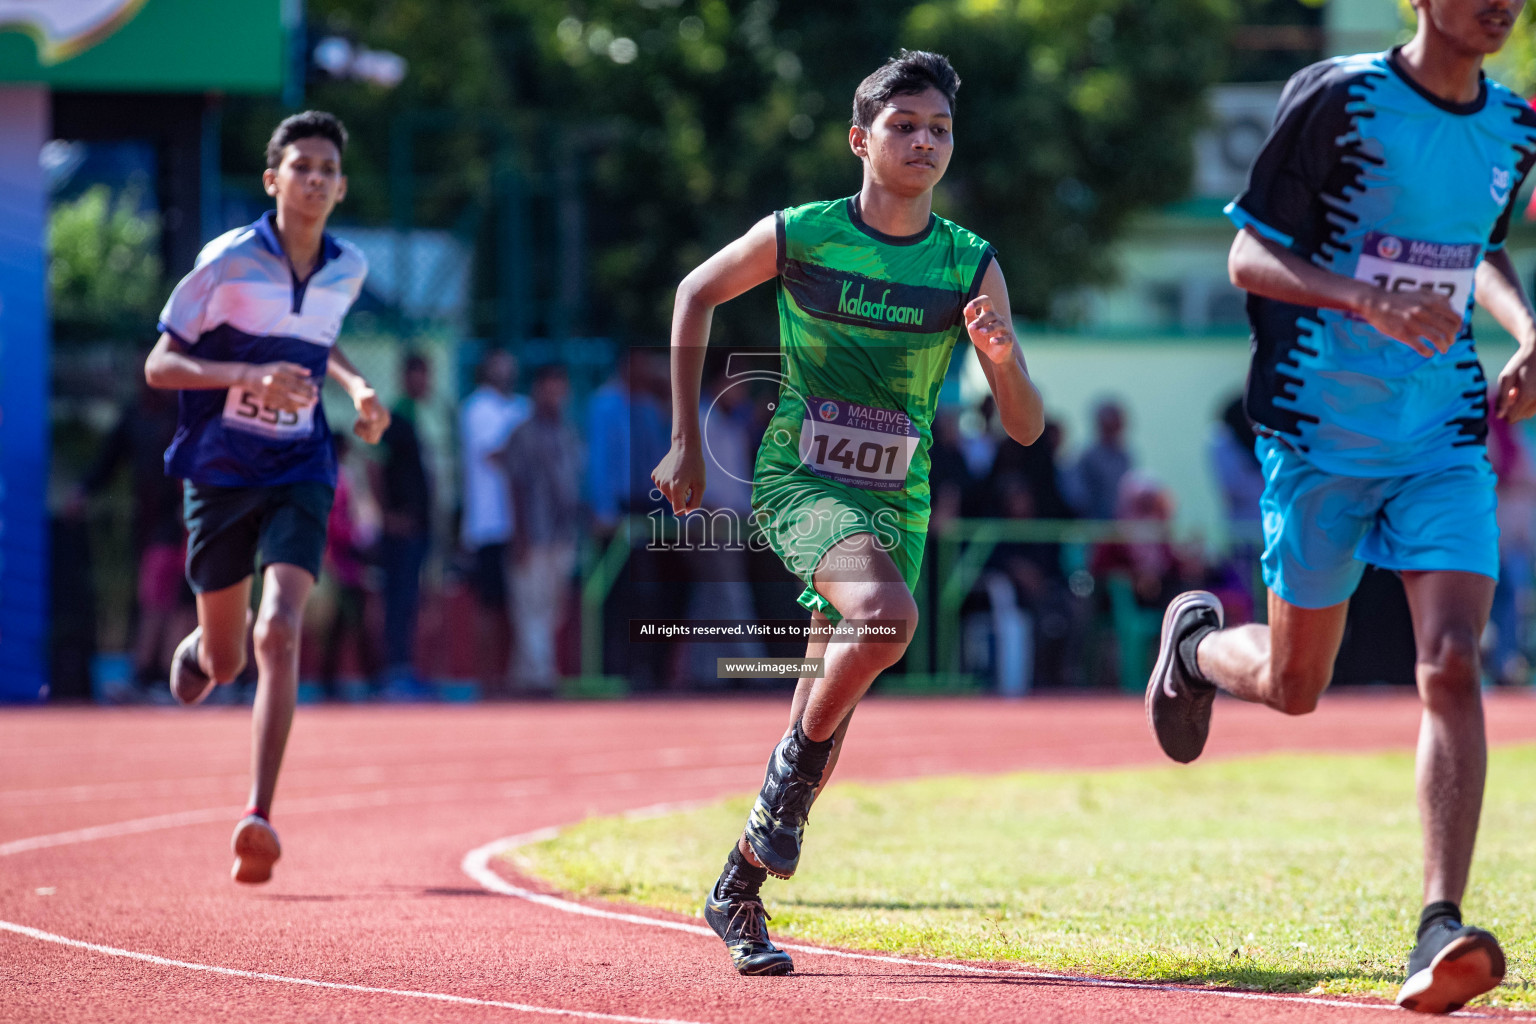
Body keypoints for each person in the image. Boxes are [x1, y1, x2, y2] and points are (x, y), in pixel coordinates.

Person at [1145, 2, 1536, 1011]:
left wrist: (1526, 329)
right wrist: (1363, 298)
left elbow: (1477, 245)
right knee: (1293, 681)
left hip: (1442, 432)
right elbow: (1247, 255)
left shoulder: (1514, 125)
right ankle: (1194, 650)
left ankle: (1438, 921)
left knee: (1450, 662)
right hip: (1315, 431)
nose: (1500, 3)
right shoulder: (1339, 97)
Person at [651, 51, 1044, 975]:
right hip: (800, 482)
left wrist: (1000, 356)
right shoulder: (804, 235)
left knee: (832, 692)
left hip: (896, 499)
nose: (924, 141)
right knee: (888, 618)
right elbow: (694, 292)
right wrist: (684, 439)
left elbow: (1023, 428)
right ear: (861, 139)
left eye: (940, 129)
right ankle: (782, 794)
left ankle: (737, 888)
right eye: (905, 125)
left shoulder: (969, 262)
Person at [144, 110, 387, 884]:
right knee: (221, 659)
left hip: (300, 466)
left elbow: (318, 339)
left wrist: (356, 386)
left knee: (278, 630)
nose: (313, 179)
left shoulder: (349, 268)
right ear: (272, 179)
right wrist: (245, 378)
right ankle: (201, 648)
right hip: (219, 469)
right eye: (300, 166)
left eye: (326, 169)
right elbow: (160, 364)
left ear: (341, 187)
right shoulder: (227, 261)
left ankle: (258, 816)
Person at [498, 364, 582, 692]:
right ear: (536, 391)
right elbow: (515, 486)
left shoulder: (567, 433)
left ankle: (525, 676)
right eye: (548, 388)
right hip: (533, 533)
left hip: (562, 534)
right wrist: (520, 535)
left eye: (559, 389)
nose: (555, 396)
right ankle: (542, 676)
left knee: (552, 609)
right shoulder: (523, 434)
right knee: (530, 605)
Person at [459, 349, 530, 694]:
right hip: (488, 524)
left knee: (518, 606)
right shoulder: (477, 407)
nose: (505, 368)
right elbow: (494, 453)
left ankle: (512, 678)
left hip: (523, 525)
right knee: (488, 606)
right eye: (497, 362)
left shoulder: (521, 406)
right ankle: (487, 680)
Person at [372, 351, 434, 697]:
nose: (425, 382)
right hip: (401, 530)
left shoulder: (426, 416)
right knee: (397, 599)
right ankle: (394, 672)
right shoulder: (395, 418)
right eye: (419, 375)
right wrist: (387, 516)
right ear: (405, 377)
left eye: (427, 375)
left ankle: (404, 668)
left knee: (411, 600)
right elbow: (375, 467)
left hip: (421, 528)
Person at [318, 431, 380, 699]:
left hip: (349, 564)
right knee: (340, 624)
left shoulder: (345, 477)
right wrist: (355, 536)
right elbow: (333, 523)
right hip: (336, 564)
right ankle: (332, 681)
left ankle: (365, 678)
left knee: (353, 624)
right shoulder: (331, 478)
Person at [1067, 398, 1132, 520]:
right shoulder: (1086, 455)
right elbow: (1076, 494)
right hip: (1092, 524)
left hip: (1118, 524)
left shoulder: (1125, 456)